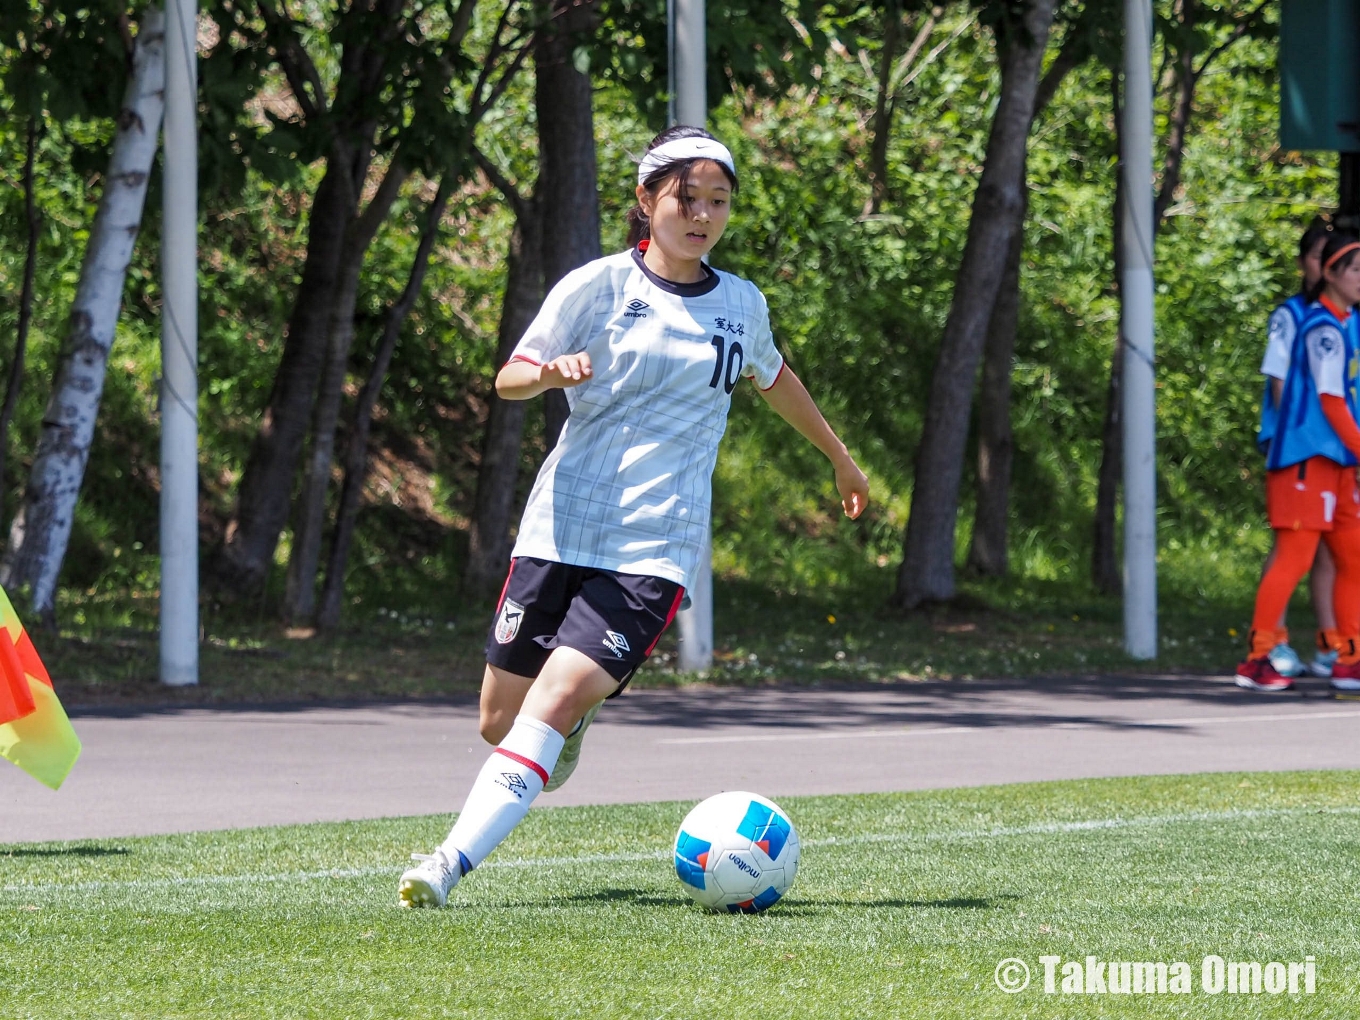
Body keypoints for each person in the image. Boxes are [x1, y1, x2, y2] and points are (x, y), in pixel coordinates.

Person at [398, 126, 871, 906]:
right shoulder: (597, 287)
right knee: (497, 719)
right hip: (561, 525)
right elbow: (509, 377)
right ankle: (570, 730)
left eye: (719, 202)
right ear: (648, 200)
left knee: (549, 702)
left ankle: (446, 864)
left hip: (656, 544)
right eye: (689, 198)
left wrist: (840, 457)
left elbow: (776, 377)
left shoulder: (740, 305)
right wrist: (546, 373)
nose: (704, 216)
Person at [1237, 231, 1360, 693]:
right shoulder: (1321, 328)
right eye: (1356, 269)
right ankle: (1258, 656)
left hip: (1339, 461)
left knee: (1351, 557)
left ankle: (1348, 656)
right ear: (1328, 272)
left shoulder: (1346, 322)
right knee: (1293, 557)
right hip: (1307, 458)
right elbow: (1328, 401)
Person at [1256, 221, 1338, 678]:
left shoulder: (1344, 318)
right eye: (1315, 258)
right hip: (1300, 449)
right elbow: (1279, 382)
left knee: (1331, 550)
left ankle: (1332, 645)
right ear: (1303, 263)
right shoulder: (1290, 316)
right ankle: (1271, 642)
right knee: (1291, 544)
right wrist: (1299, 433)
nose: (1324, 268)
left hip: (1339, 452)